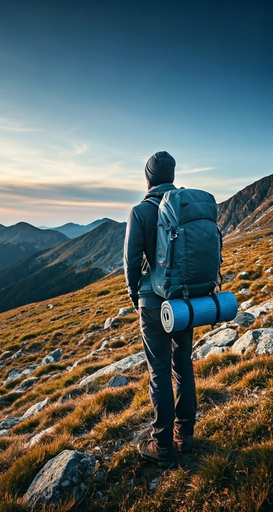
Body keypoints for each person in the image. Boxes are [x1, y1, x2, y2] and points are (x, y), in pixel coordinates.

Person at [124, 151, 196, 468]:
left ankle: (162, 446)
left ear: (148, 177)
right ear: (172, 175)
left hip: (153, 303)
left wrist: (134, 295)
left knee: (160, 372)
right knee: (183, 363)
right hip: (185, 300)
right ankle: (186, 436)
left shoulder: (140, 211)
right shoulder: (186, 207)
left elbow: (130, 262)